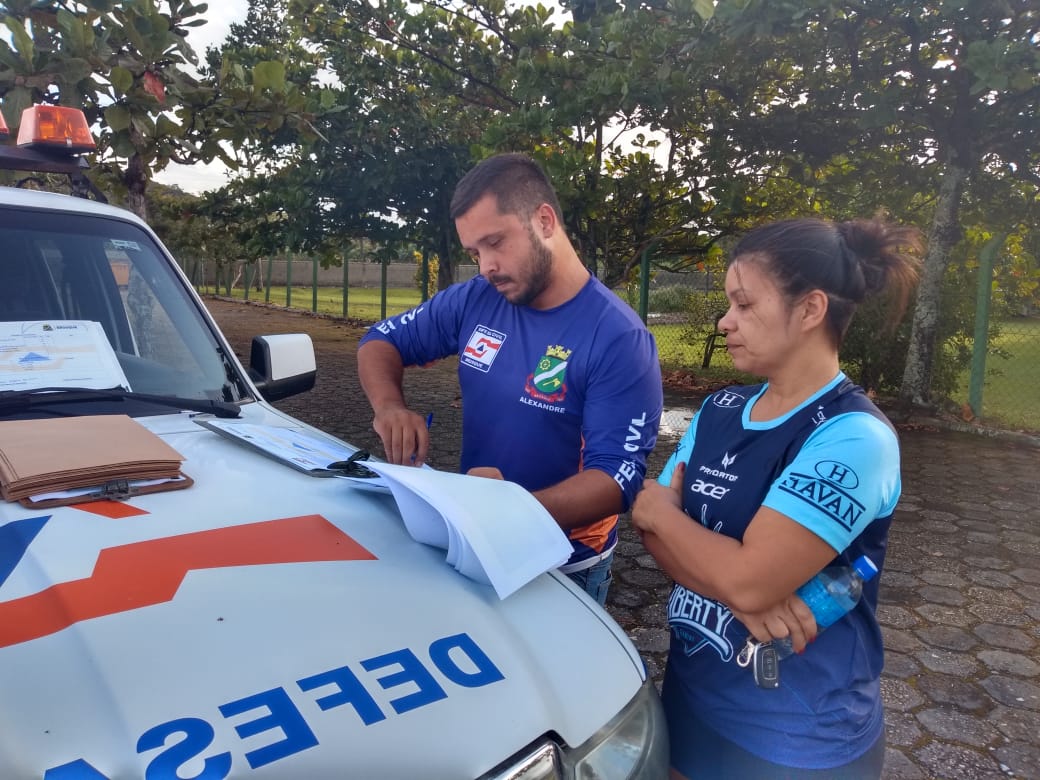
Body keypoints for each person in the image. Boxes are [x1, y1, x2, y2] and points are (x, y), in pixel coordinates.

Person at [631, 216, 922, 778]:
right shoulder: (717, 412)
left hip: (799, 734)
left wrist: (666, 517)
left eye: (744, 305)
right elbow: (653, 534)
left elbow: (732, 567)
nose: (725, 322)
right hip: (693, 692)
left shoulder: (853, 436)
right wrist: (736, 582)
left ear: (811, 310)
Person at [357, 152, 663, 605]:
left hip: (564, 567)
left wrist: (508, 511)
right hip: (475, 541)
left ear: (543, 220)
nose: (485, 266)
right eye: (475, 252)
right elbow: (380, 341)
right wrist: (390, 407)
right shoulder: (477, 299)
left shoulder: (618, 338)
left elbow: (617, 480)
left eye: (495, 242)